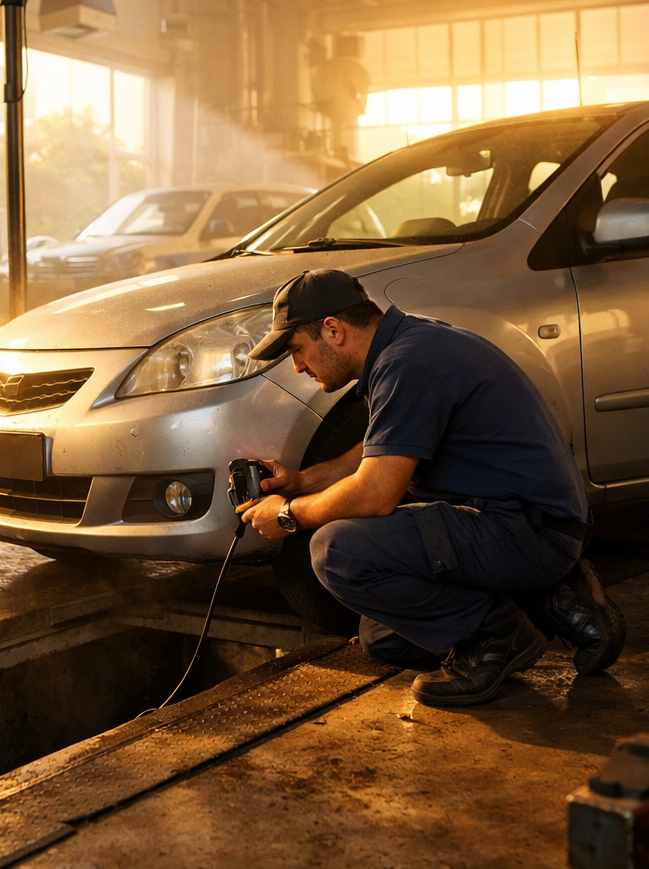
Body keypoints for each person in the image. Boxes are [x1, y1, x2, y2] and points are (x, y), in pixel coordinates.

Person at [237, 269, 624, 708]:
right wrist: (300, 480)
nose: (298, 366)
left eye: (297, 350)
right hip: (515, 521)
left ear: (333, 329)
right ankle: (552, 597)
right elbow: (378, 449)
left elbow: (375, 492)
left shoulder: (408, 363)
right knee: (385, 639)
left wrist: (288, 514)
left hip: (531, 529)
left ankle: (500, 635)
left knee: (337, 552)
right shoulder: (410, 344)